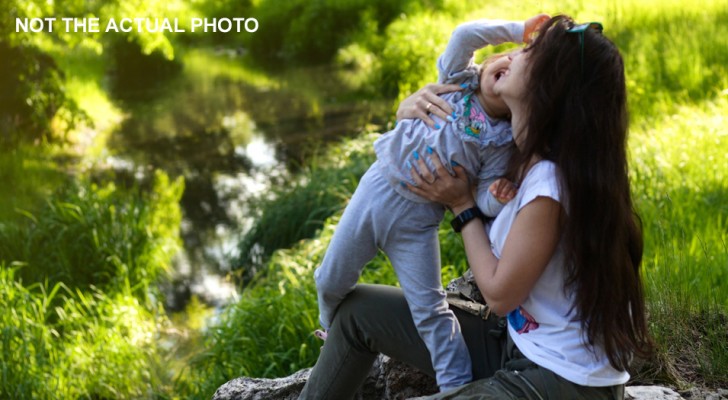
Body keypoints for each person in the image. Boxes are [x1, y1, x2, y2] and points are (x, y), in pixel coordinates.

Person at [300, 15, 652, 399]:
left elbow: (500, 296)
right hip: (514, 342)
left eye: (530, 52)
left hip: (560, 381)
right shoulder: (519, 153)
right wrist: (413, 115)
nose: (514, 54)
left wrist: (462, 205)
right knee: (357, 313)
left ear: (552, 87)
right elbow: (458, 121)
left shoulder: (552, 185)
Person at [313, 14, 549, 392]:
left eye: (520, 67)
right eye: (508, 55)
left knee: (431, 311)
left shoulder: (501, 143)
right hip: (377, 190)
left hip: (419, 219)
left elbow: (483, 198)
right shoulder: (457, 80)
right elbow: (464, 34)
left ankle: (455, 386)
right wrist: (517, 30)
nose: (507, 61)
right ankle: (331, 330)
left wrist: (497, 196)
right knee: (329, 277)